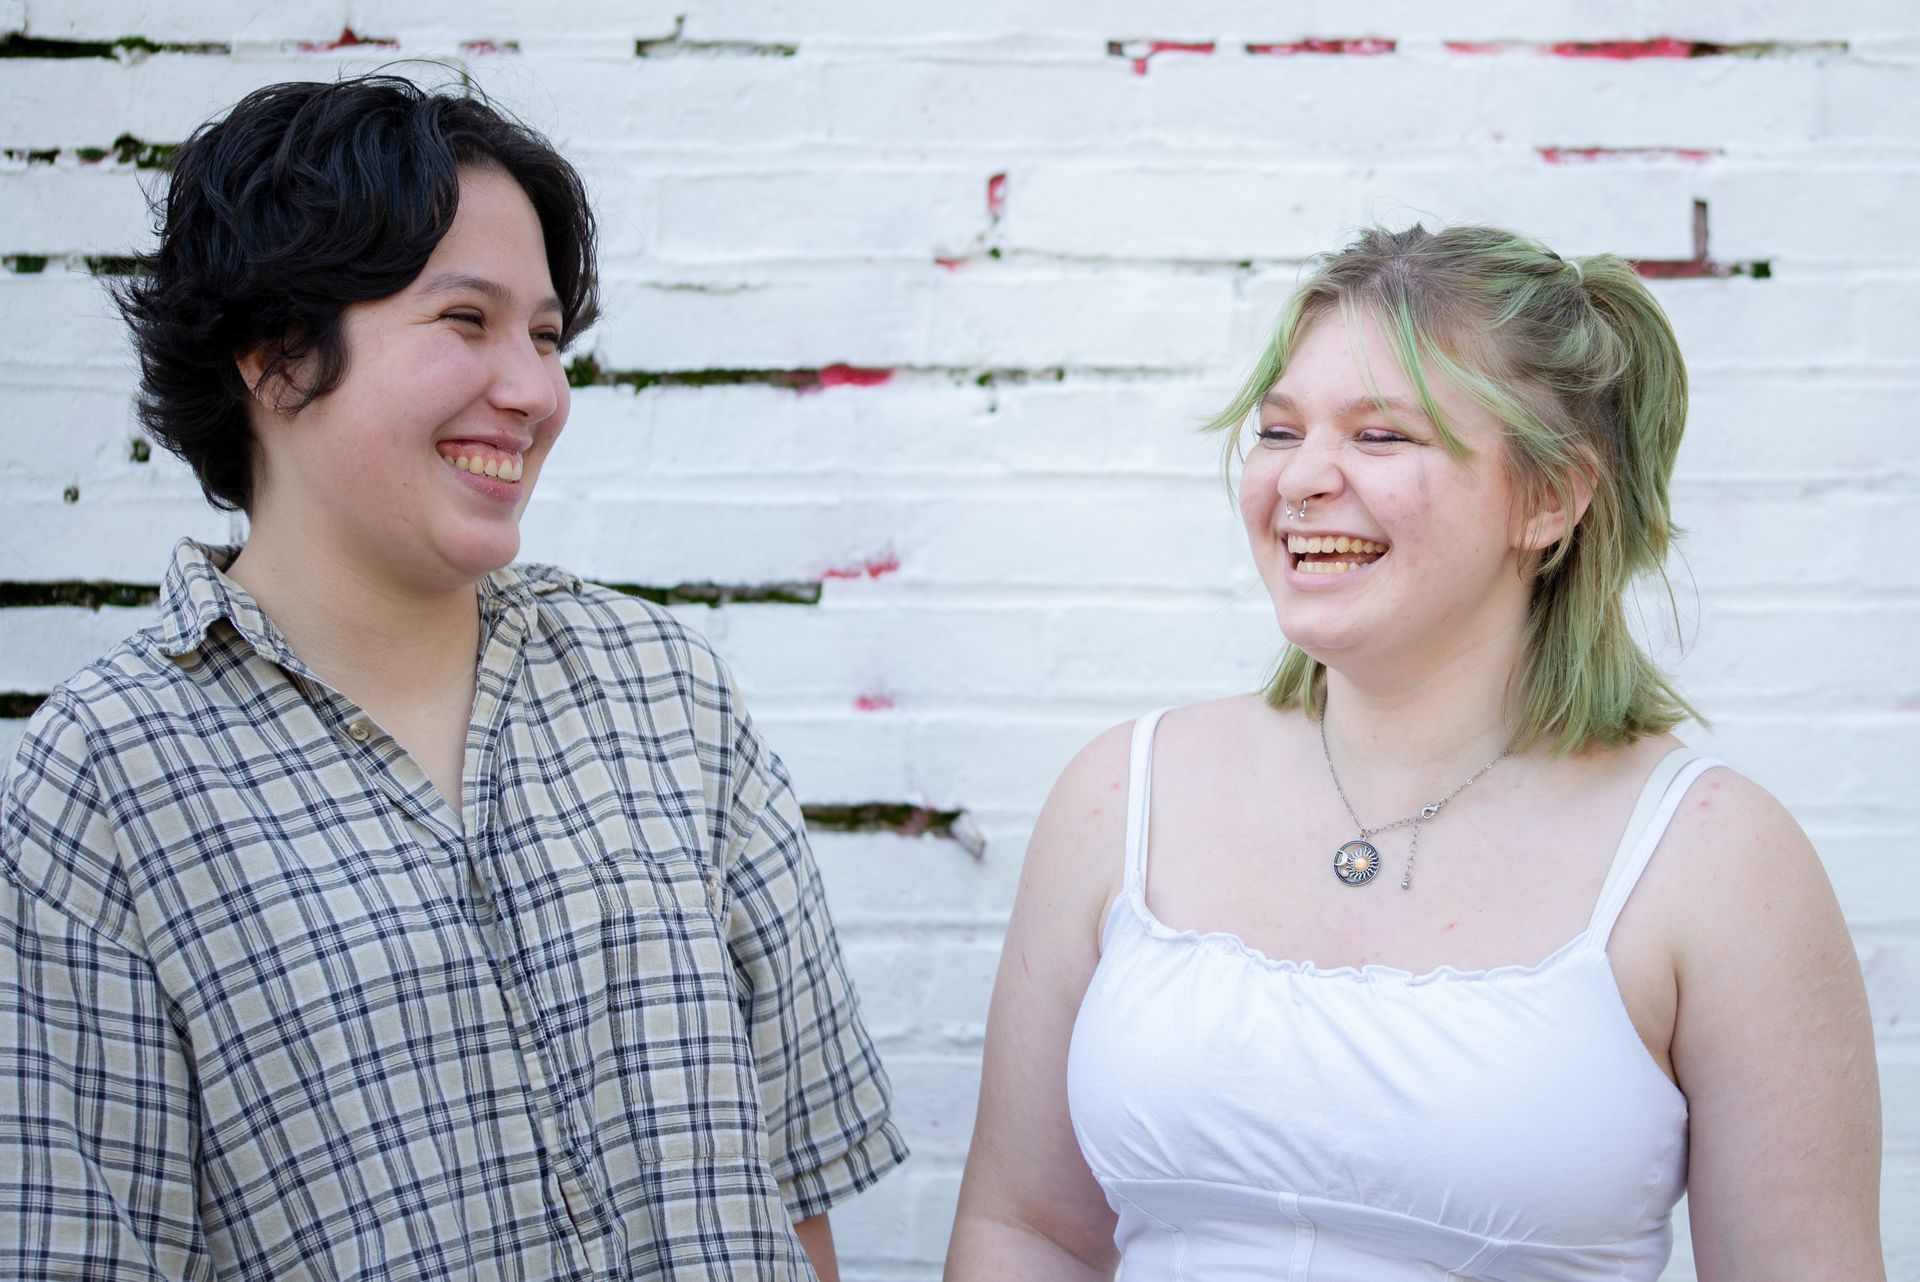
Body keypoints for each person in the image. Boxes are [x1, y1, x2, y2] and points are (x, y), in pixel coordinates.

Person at [0, 75, 904, 1280]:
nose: (535, 391)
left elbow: (795, 1192)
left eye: (543, 334)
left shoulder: (666, 696)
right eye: (465, 322)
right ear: (274, 360)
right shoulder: (105, 783)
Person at [945, 225, 1883, 1280]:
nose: (1301, 480)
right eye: (1278, 429)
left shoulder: (1715, 860)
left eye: (1381, 436)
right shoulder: (1123, 791)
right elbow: (1027, 1228)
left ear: (1549, 499)